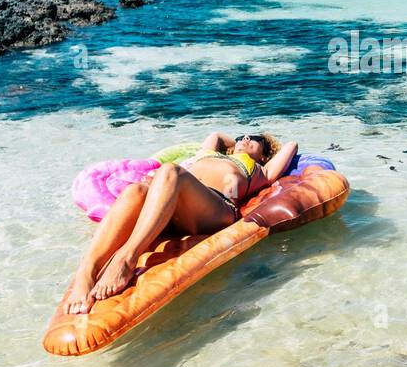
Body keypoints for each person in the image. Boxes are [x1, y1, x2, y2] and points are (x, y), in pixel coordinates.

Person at [64, 131, 298, 314]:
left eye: (254, 139)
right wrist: (236, 143)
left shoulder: (261, 170)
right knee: (135, 191)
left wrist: (259, 145)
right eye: (242, 136)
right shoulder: (208, 154)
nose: (245, 138)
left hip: (216, 209)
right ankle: (86, 272)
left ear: (265, 154)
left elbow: (292, 145)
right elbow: (216, 135)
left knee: (170, 171)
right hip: (173, 208)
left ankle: (127, 258)